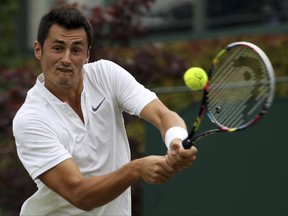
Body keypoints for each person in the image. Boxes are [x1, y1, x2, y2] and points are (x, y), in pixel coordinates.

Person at [12, 5, 198, 216]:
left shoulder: (107, 75)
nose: (66, 58)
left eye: (76, 50)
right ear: (38, 50)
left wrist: (176, 139)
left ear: (87, 55)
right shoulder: (30, 119)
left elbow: (163, 115)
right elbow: (80, 194)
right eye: (57, 48)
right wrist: (135, 169)